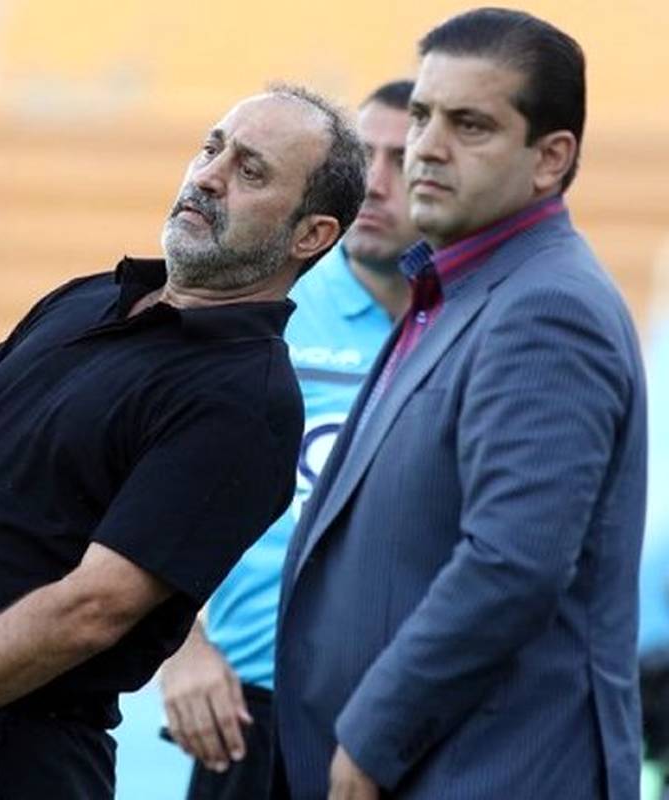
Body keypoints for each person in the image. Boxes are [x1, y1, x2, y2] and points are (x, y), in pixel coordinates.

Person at [0, 84, 367, 800]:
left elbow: (94, 609)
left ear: (310, 235)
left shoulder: (243, 399)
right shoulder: (92, 298)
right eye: (212, 147)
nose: (208, 176)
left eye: (251, 171)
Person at [273, 8, 648, 800]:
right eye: (421, 116)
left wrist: (372, 740)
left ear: (551, 158)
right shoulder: (456, 285)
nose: (427, 148)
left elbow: (512, 563)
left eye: (469, 125)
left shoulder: (547, 308)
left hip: (485, 771)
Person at [157, 79, 418, 800]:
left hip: (408, 717)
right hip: (252, 712)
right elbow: (122, 485)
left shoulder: (471, 326)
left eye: (403, 161)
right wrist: (181, 648)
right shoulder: (268, 301)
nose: (377, 185)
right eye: (365, 160)